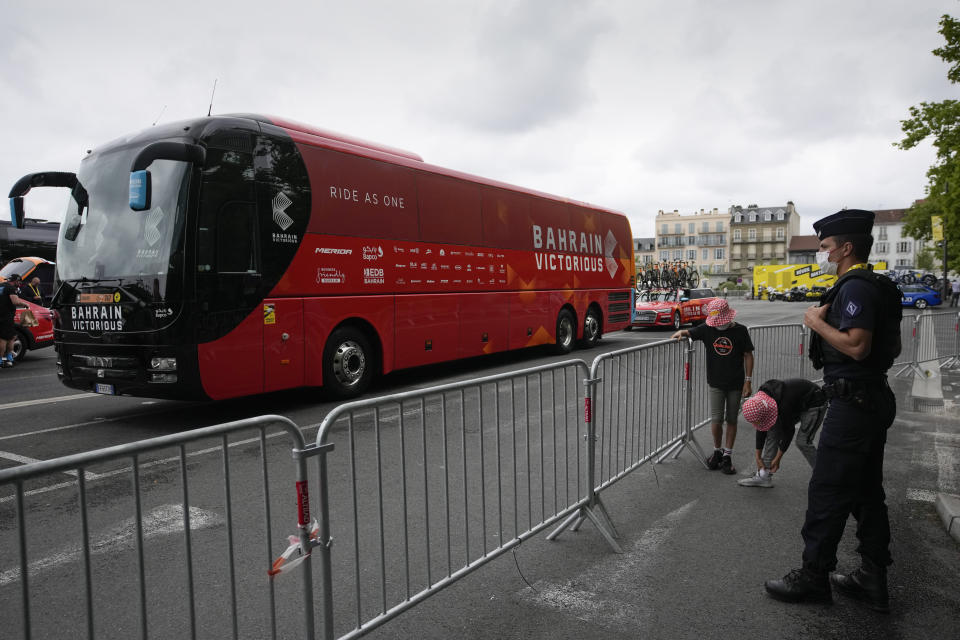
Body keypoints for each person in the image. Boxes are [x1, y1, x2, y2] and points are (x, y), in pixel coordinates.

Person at [765, 209, 901, 612]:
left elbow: (857, 345)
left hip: (855, 402)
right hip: (871, 397)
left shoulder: (856, 287)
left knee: (827, 492)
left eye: (825, 247)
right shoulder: (875, 284)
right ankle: (872, 576)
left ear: (845, 248)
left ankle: (813, 576)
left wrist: (814, 321)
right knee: (865, 491)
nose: (821, 254)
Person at [672, 298, 754, 474]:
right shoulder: (707, 329)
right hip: (716, 382)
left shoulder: (740, 331)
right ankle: (717, 451)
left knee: (731, 419)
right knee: (716, 420)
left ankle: (728, 455)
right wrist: (682, 333)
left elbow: (748, 355)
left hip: (736, 383)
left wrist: (748, 380)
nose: (719, 325)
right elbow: (690, 331)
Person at [738, 379, 826, 488]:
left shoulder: (784, 406)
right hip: (796, 401)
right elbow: (761, 429)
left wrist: (777, 459)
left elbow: (788, 432)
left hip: (814, 403)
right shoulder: (760, 401)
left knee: (803, 442)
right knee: (772, 430)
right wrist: (758, 457)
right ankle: (763, 476)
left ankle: (824, 476)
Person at [0, 276, 28, 368]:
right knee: (3, 339)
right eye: (19, 282)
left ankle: (9, 358)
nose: (20, 284)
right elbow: (15, 301)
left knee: (12, 336)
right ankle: (1, 361)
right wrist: (25, 304)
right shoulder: (11, 288)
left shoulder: (1, 286)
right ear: (16, 281)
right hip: (6, 317)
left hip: (3, 316)